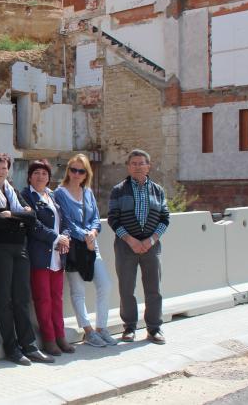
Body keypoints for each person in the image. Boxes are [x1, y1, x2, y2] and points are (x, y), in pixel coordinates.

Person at [0, 152, 54, 365]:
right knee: (4, 300)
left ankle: (29, 346)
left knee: (21, 298)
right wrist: (19, 217)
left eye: (4, 167)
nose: (1, 171)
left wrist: (11, 214)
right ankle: (12, 348)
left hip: (19, 249)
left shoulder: (13, 191)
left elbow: (32, 217)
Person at [54, 153, 117, 348]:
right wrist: (84, 237)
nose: (76, 174)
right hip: (73, 247)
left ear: (86, 174)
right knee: (78, 290)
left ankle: (101, 328)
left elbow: (96, 219)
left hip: (91, 246)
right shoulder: (60, 193)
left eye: (80, 171)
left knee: (105, 284)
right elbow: (67, 221)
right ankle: (88, 330)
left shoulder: (88, 192)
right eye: (73, 170)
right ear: (68, 171)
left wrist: (92, 234)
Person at [108, 149, 170, 345]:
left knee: (154, 289)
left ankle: (154, 328)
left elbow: (165, 219)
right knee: (127, 288)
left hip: (151, 246)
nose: (137, 166)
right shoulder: (119, 190)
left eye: (141, 163)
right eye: (133, 163)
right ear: (128, 166)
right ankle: (130, 327)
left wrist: (150, 240)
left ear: (148, 166)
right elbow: (113, 219)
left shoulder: (158, 190)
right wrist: (131, 240)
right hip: (126, 246)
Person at [20, 160, 74, 356]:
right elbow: (32, 224)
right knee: (43, 299)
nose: (40, 176)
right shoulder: (26, 196)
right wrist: (56, 238)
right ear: (29, 176)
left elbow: (66, 221)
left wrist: (65, 237)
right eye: (36, 173)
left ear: (49, 177)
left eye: (44, 173)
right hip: (40, 256)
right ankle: (49, 339)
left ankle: (61, 337)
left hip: (58, 255)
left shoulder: (53, 196)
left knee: (57, 299)